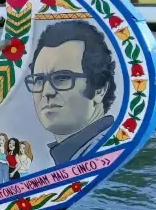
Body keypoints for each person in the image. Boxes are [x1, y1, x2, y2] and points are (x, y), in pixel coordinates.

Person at [26, 20, 117, 165]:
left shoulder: (103, 153)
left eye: (62, 78)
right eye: (39, 80)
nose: (47, 92)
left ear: (99, 89)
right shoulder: (77, 154)